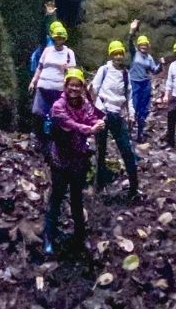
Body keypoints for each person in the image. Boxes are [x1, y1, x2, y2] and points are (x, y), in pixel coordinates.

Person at [44, 68, 104, 258]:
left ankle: (79, 236)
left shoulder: (85, 104)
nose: (74, 89)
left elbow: (92, 117)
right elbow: (69, 123)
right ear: (66, 86)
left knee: (77, 199)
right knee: (57, 197)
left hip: (78, 158)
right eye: (71, 85)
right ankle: (49, 237)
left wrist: (99, 122)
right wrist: (90, 129)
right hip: (60, 160)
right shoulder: (58, 106)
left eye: (78, 85)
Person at [90, 41, 139, 200]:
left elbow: (129, 95)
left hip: (117, 114)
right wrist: (98, 109)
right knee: (100, 150)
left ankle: (133, 188)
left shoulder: (125, 74)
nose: (118, 56)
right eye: (115, 53)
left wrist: (131, 113)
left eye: (120, 53)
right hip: (102, 113)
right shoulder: (104, 70)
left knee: (126, 150)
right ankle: (99, 184)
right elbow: (94, 90)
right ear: (111, 55)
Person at [28, 20, 76, 149]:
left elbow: (73, 73)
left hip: (59, 89)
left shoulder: (69, 53)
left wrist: (68, 70)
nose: (58, 40)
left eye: (61, 37)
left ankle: (56, 143)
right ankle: (39, 140)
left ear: (64, 38)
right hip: (43, 86)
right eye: (56, 37)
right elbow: (40, 66)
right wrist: (34, 81)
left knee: (57, 115)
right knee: (38, 113)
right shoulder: (47, 51)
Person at [128, 20, 162, 142]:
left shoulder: (149, 58)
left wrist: (161, 65)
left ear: (148, 46)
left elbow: (155, 70)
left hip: (145, 84)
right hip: (134, 83)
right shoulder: (134, 54)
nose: (143, 46)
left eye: (145, 44)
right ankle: (129, 133)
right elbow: (129, 41)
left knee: (144, 109)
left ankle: (140, 134)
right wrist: (132, 30)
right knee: (133, 107)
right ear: (138, 45)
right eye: (141, 44)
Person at [29, 0, 58, 74]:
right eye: (48, 5)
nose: (50, 7)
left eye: (52, 5)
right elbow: (42, 35)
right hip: (45, 46)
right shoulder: (42, 19)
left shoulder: (55, 19)